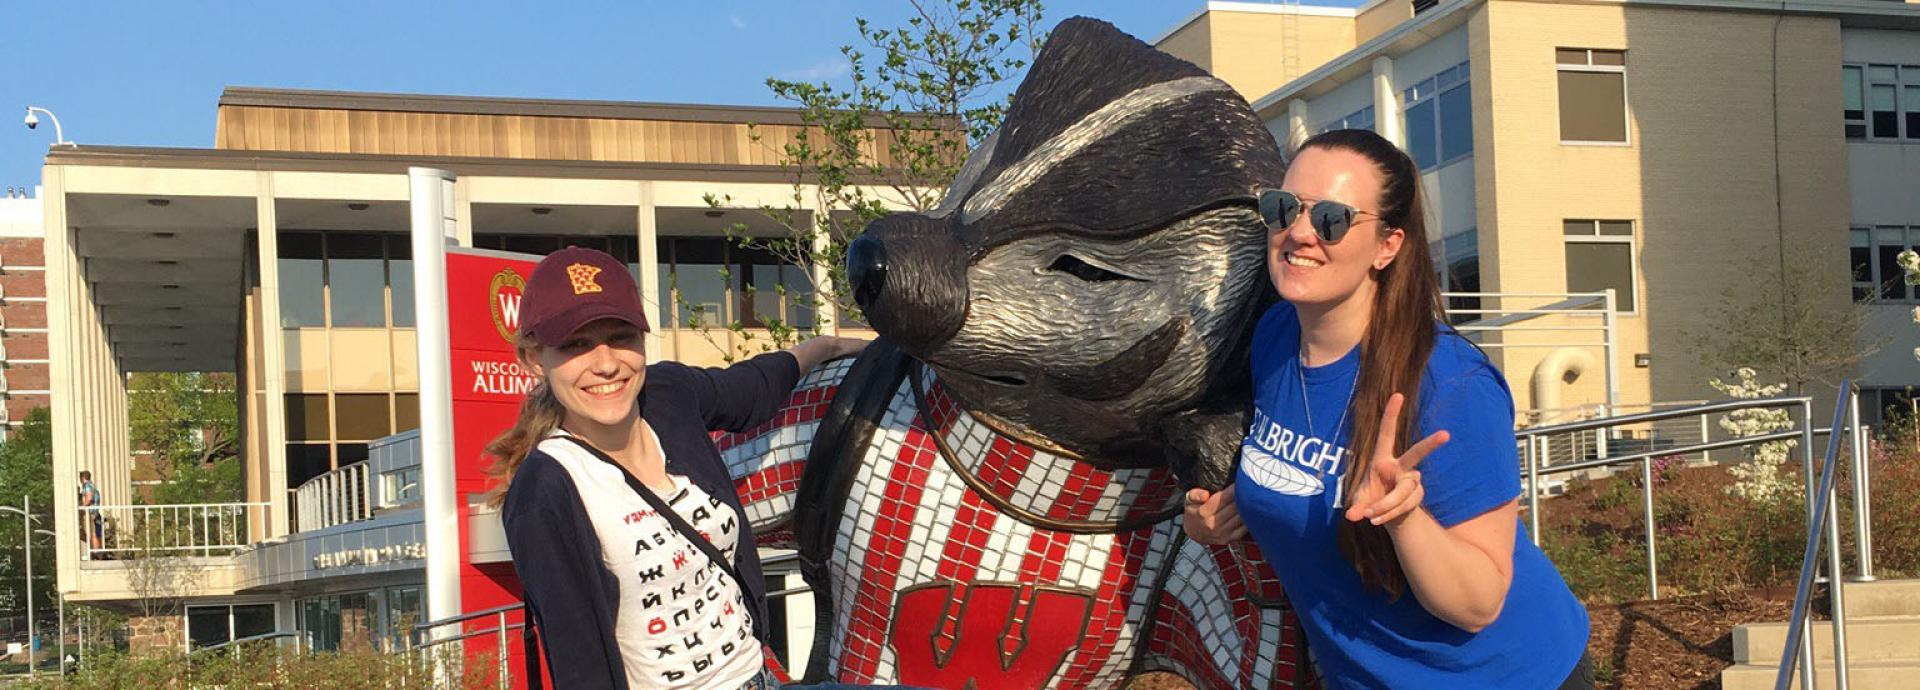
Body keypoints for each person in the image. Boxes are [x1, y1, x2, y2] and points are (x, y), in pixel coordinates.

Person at [1183, 129, 1593, 689]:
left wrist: (1404, 519)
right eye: (1282, 209)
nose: (1298, 233)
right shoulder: (1274, 339)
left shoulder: (1452, 385)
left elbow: (1479, 603)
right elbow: (1303, 477)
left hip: (1506, 675)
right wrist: (1217, 517)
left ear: (1387, 246)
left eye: (1331, 218)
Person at [490, 246, 891, 689]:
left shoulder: (665, 395)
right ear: (533, 359)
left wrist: (826, 346)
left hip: (758, 675)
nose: (605, 364)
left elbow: (753, 387)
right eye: (575, 345)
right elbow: (582, 666)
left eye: (621, 336)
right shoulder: (545, 491)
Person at [78, 470, 103, 553]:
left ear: (83, 478)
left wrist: (82, 507)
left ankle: (95, 552)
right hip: (95, 513)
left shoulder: (87, 486)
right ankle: (97, 552)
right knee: (92, 534)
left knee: (91, 533)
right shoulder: (93, 486)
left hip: (90, 513)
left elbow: (89, 498)